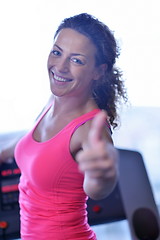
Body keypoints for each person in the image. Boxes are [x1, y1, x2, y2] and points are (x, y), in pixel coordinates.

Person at [0, 13, 127, 240]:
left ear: (99, 71)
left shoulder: (90, 130)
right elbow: (36, 142)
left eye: (76, 60)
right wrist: (4, 152)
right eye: (57, 52)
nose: (60, 66)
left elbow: (97, 187)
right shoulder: (53, 102)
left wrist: (103, 175)